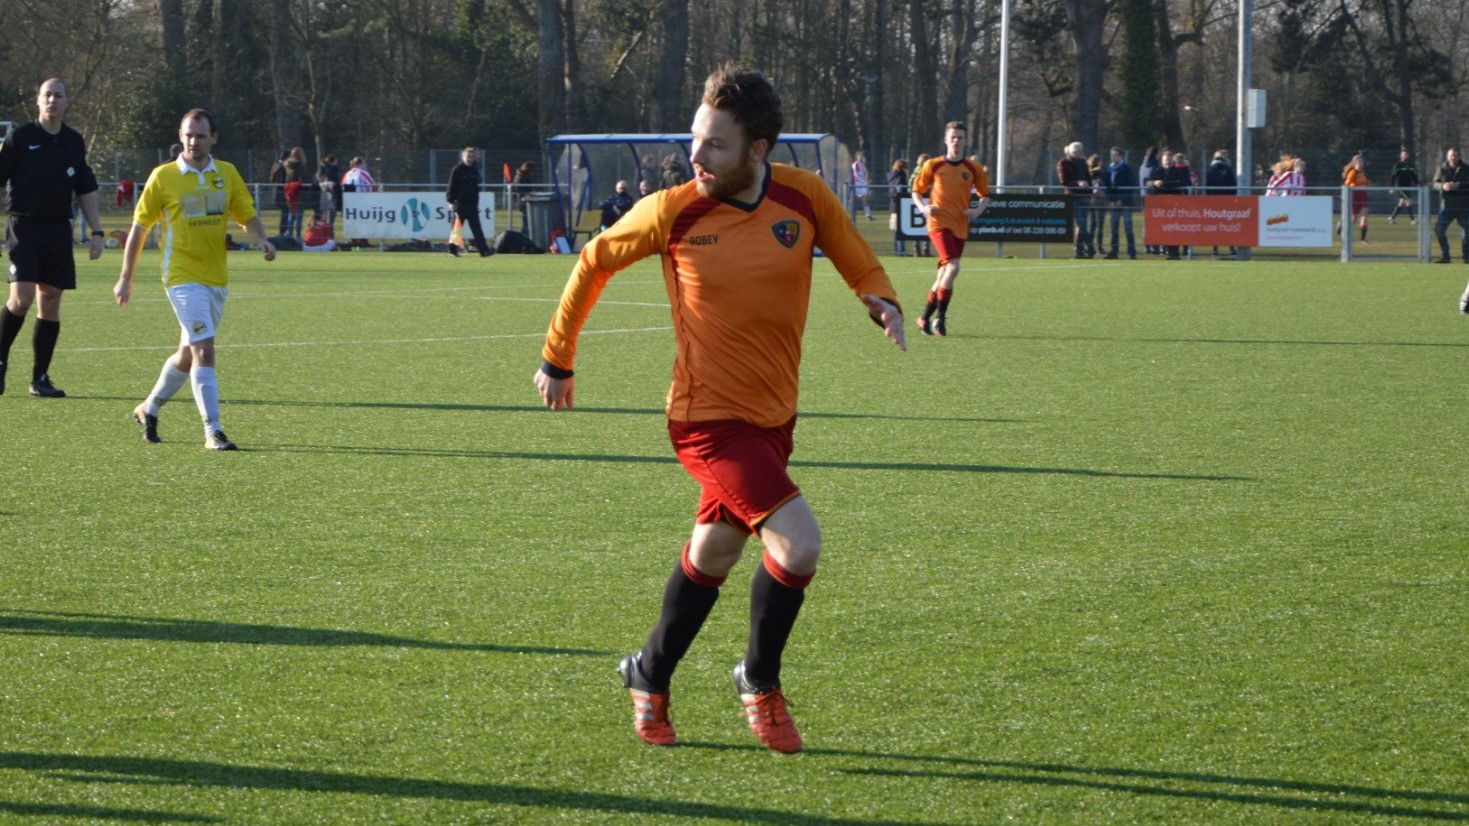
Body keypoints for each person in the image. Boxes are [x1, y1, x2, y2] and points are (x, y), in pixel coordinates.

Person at [533, 63, 905, 755]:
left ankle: (647, 673)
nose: (695, 158)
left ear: (758, 149)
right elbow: (592, 260)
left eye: (714, 145)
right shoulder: (675, 210)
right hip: (705, 418)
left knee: (718, 546)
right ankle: (758, 682)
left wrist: (876, 295)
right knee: (798, 542)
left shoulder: (805, 197)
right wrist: (558, 358)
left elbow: (855, 255)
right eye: (694, 141)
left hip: (774, 418)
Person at [113, 108, 277, 450]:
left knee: (187, 354)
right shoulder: (163, 177)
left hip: (215, 277)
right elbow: (140, 229)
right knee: (205, 348)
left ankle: (149, 408)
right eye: (188, 134)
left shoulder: (227, 174)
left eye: (201, 135)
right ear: (180, 135)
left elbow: (245, 214)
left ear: (213, 138)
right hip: (180, 276)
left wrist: (260, 238)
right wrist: (125, 277)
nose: (193, 141)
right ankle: (212, 430)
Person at [0, 78, 106, 398]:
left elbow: (85, 188)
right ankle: (0, 361)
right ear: (38, 101)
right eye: (47, 95)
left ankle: (40, 377)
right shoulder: (20, 138)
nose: (52, 101)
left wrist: (98, 231)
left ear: (67, 102)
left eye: (58, 96)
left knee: (51, 301)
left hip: (59, 229)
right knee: (21, 298)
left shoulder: (74, 141)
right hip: (24, 227)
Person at [911, 123, 990, 335]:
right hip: (938, 223)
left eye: (960, 137)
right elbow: (916, 191)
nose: (956, 141)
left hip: (960, 225)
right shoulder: (933, 165)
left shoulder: (973, 168)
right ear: (946, 140)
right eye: (953, 137)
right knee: (953, 267)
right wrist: (924, 208)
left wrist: (978, 210)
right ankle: (940, 319)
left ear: (965, 141)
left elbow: (985, 195)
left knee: (943, 274)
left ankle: (923, 318)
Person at [447, 146, 491, 257]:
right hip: (460, 204)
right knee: (456, 229)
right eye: (468, 156)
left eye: (472, 156)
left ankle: (484, 250)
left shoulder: (474, 170)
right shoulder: (457, 170)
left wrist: (476, 203)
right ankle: (452, 250)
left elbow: (475, 188)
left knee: (477, 228)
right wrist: (451, 201)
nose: (470, 159)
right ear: (463, 156)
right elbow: (451, 187)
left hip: (472, 204)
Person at [1056, 141, 1094, 259]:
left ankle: (1079, 250)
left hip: (1085, 196)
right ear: (1073, 152)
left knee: (1082, 225)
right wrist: (1077, 183)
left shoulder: (1083, 162)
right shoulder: (1063, 163)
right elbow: (1064, 181)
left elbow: (1088, 177)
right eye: (1079, 151)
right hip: (1074, 197)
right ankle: (1091, 247)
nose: (1081, 153)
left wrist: (1090, 187)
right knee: (1081, 224)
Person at [1432, 147, 1469, 265]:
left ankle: (1467, 258)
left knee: (1466, 234)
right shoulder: (1442, 169)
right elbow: (1435, 183)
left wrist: (1458, 186)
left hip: (1464, 206)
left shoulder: (1466, 169)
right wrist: (1443, 186)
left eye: (1456, 155)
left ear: (1459, 157)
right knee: (1439, 230)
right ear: (1448, 157)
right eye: (1452, 155)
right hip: (1447, 207)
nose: (1454, 158)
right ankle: (1446, 256)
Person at [1102, 146, 1137, 260]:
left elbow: (1130, 185)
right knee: (1114, 227)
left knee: (1128, 227)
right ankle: (1114, 251)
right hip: (1114, 203)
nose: (1112, 157)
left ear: (1121, 156)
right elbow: (1106, 186)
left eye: (1115, 155)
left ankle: (1132, 252)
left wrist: (1121, 199)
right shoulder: (1108, 169)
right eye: (1111, 155)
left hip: (1126, 202)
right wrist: (1112, 200)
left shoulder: (1126, 168)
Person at [1206, 149, 1238, 257]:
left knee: (1215, 225)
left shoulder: (1210, 170)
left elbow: (1207, 187)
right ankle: (1232, 248)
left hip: (1213, 201)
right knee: (1229, 225)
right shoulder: (1228, 169)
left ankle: (1215, 249)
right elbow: (1233, 185)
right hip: (1227, 201)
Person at [1139, 146, 1163, 254]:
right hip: (1153, 197)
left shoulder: (1142, 166)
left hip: (1144, 197)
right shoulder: (1155, 166)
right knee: (1156, 222)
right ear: (1156, 154)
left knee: (1147, 222)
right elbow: (1150, 182)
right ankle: (1155, 246)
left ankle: (1147, 245)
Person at [1342, 154, 1371, 243]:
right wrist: (1356, 186)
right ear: (1354, 162)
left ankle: (1363, 239)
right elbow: (1347, 184)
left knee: (1364, 217)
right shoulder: (1352, 172)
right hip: (1355, 196)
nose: (1361, 163)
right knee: (1353, 219)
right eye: (1359, 161)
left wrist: (1367, 184)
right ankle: (1343, 226)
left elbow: (1365, 183)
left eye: (1362, 161)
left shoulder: (1362, 173)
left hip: (1363, 196)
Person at [908, 154, 932, 258]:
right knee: (928, 225)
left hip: (916, 201)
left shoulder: (914, 172)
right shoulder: (925, 172)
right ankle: (925, 248)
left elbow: (909, 186)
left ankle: (916, 248)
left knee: (917, 226)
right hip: (924, 200)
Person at [887, 158, 910, 256]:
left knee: (897, 229)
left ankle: (899, 249)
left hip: (893, 205)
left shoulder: (891, 176)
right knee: (899, 229)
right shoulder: (901, 177)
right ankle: (900, 250)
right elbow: (899, 191)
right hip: (899, 206)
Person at [1388, 150, 1418, 224]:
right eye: (1404, 154)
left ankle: (1392, 218)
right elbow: (1393, 176)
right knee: (1408, 202)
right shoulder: (1398, 165)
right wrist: (1391, 187)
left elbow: (1414, 175)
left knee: (1401, 203)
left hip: (1408, 186)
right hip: (1401, 186)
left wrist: (1417, 183)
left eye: (1406, 154)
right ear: (1401, 156)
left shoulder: (1411, 165)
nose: (1405, 156)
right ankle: (1413, 220)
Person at [282, 146, 306, 239]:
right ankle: (298, 236)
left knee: (291, 214)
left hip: (289, 190)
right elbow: (302, 177)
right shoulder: (299, 164)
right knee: (299, 214)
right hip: (298, 191)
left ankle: (289, 234)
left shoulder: (287, 164)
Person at [315, 153, 342, 227]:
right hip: (331, 193)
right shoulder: (332, 169)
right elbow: (335, 180)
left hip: (324, 193)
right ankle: (329, 235)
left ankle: (327, 234)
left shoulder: (321, 169)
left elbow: (318, 178)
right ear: (332, 161)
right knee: (331, 215)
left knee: (327, 214)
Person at [851, 150, 871, 220]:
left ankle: (868, 215)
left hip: (863, 184)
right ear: (857, 156)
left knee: (865, 199)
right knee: (852, 199)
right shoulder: (855, 164)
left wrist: (866, 180)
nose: (861, 157)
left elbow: (866, 173)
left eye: (862, 156)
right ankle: (849, 215)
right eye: (860, 156)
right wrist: (864, 181)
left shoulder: (862, 165)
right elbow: (856, 175)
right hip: (857, 184)